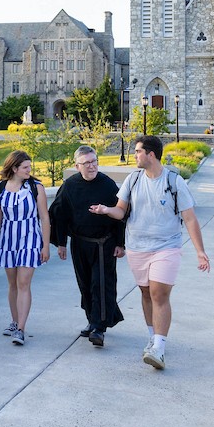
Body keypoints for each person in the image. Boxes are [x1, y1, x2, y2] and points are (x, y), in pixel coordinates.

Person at [90, 135, 209, 370]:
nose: (134, 155)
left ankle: (159, 349)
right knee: (146, 293)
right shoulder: (133, 180)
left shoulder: (175, 182)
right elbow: (121, 211)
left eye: (137, 151)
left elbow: (190, 218)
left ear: (151, 154)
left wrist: (200, 251)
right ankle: (153, 338)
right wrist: (106, 209)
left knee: (158, 294)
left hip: (167, 246)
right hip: (137, 247)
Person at [49, 145, 125, 347]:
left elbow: (121, 213)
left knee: (101, 284)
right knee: (85, 284)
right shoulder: (70, 185)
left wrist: (120, 243)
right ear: (77, 166)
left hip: (104, 245)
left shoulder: (108, 185)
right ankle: (92, 319)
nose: (92, 166)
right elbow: (58, 214)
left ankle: (99, 328)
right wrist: (61, 243)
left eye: (94, 161)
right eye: (87, 163)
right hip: (79, 243)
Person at [0, 150, 50, 346]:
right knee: (13, 284)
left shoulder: (36, 187)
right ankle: (14, 322)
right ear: (14, 168)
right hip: (8, 241)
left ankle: (21, 329)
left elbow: (44, 218)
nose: (29, 170)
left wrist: (46, 246)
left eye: (30, 167)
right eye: (25, 167)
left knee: (24, 283)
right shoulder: (0, 188)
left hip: (30, 240)